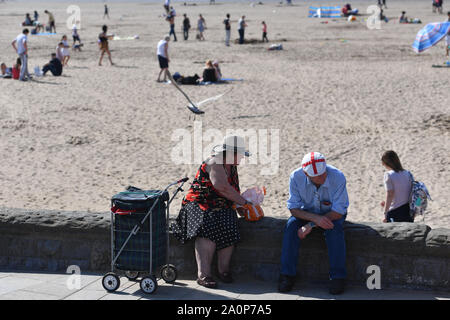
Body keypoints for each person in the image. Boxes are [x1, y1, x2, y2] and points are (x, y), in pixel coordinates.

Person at [171, 135, 252, 289]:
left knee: (230, 224)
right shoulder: (214, 162)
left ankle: (223, 270)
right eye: (240, 154)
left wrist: (242, 207)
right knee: (207, 226)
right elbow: (221, 186)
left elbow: (233, 191)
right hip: (199, 203)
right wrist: (245, 203)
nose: (242, 158)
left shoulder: (232, 167)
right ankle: (204, 274)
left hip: (220, 205)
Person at [278, 152, 349, 295]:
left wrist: (311, 225)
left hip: (332, 214)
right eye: (317, 177)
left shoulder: (338, 176)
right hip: (307, 212)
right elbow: (293, 208)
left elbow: (339, 211)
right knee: (291, 227)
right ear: (306, 174)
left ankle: (337, 277)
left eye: (323, 173)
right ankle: (287, 275)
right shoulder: (295, 177)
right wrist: (315, 219)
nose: (323, 178)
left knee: (334, 230)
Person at [380, 151, 413, 223]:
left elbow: (390, 194)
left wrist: (385, 213)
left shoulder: (388, 175)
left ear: (385, 163)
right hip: (408, 210)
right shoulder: (407, 173)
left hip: (395, 212)